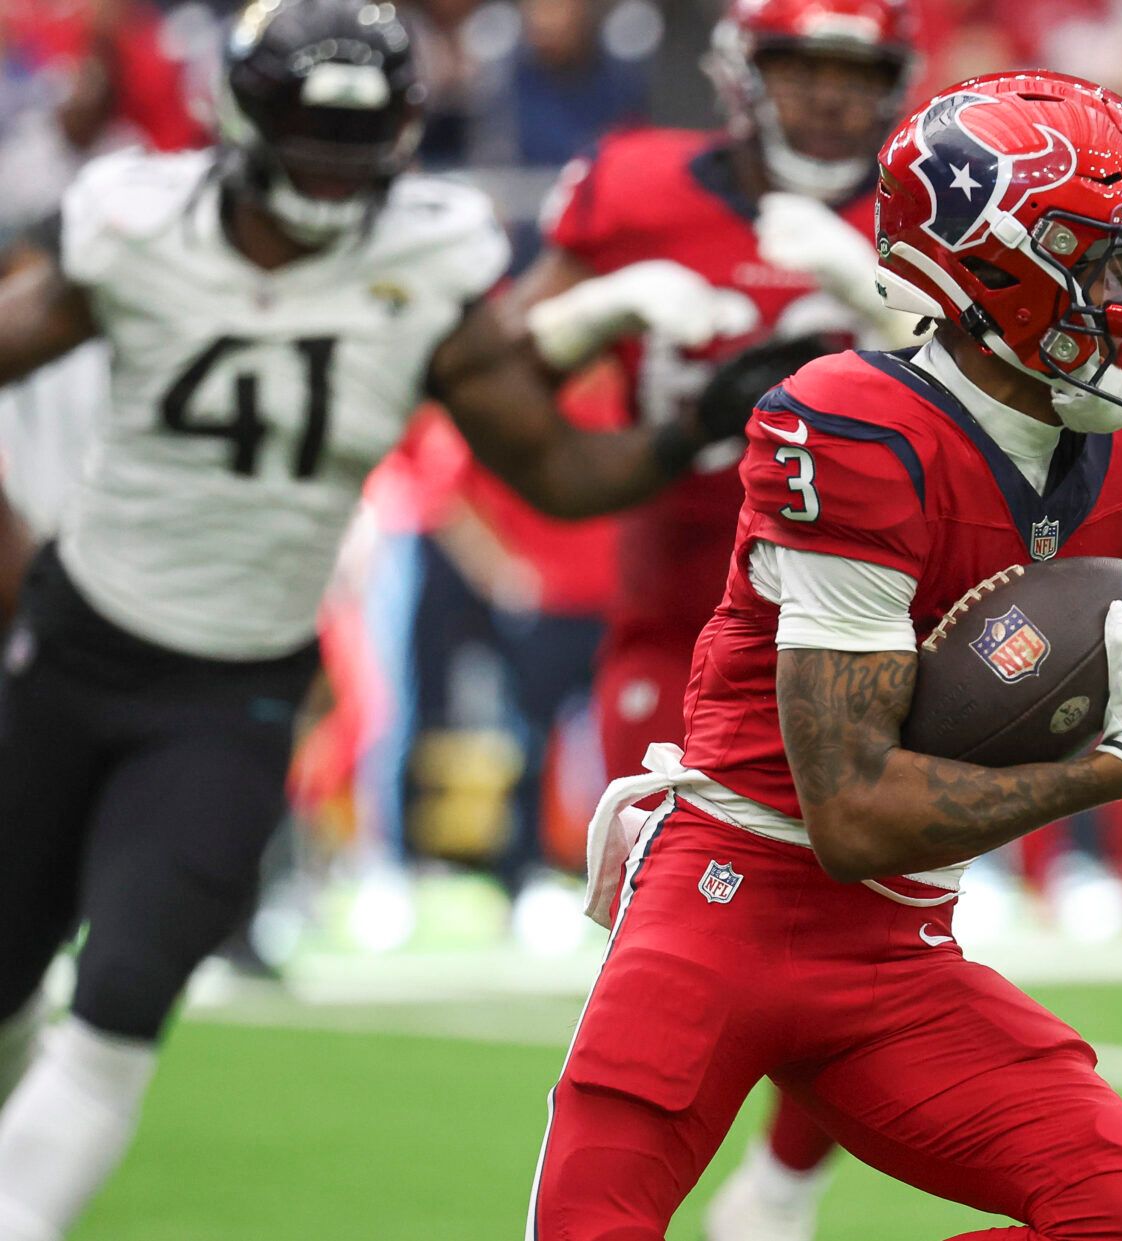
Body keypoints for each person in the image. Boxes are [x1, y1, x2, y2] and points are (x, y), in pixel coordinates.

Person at [528, 70, 1122, 1239]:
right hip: (725, 909)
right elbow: (853, 813)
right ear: (999, 270)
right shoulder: (852, 427)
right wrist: (1107, 773)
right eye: (1109, 267)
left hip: (896, 944)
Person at [0, 1, 751, 1235]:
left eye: (362, 134)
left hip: (231, 690)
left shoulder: (427, 256)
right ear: (247, 117)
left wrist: (680, 433)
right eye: (310, 130)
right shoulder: (139, 221)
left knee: (121, 1005)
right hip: (74, 645)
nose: (336, 165)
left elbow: (550, 467)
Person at [499, 0, 921, 1231]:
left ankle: (779, 1188)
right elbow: (504, 372)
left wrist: (876, 291)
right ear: (745, 73)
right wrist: (606, 306)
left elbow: (999, 402)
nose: (836, 100)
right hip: (684, 604)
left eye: (859, 74)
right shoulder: (637, 186)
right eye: (807, 69)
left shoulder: (924, 212)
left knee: (872, 926)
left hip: (868, 618)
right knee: (663, 923)